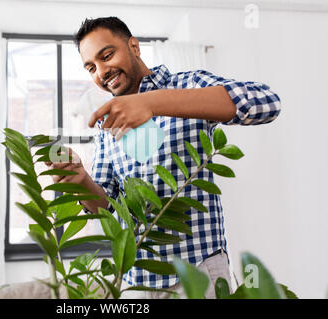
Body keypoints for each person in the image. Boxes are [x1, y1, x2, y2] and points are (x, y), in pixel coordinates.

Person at [46, 16, 281, 298]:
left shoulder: (188, 84)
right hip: (136, 282)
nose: (101, 71)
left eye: (107, 55)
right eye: (91, 67)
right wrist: (80, 179)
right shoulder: (107, 125)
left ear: (134, 46)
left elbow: (267, 102)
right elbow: (106, 209)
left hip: (198, 273)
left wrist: (150, 102)